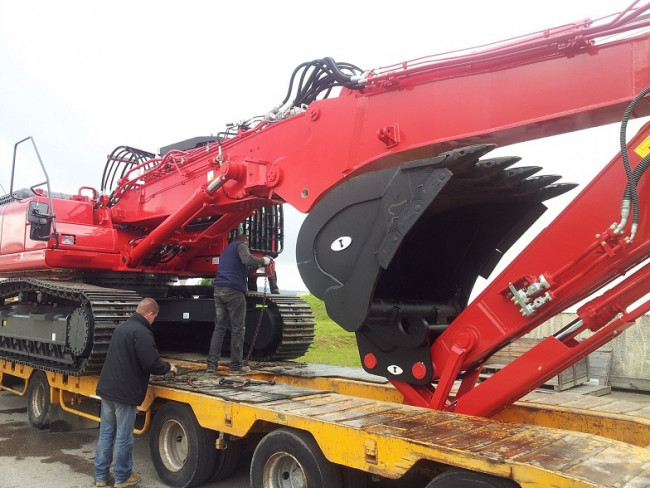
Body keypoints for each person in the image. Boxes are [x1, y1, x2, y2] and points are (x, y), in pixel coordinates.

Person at [94, 297, 177, 488]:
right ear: (150, 314)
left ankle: (101, 477)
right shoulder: (142, 332)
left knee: (106, 434)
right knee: (124, 436)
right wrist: (168, 367)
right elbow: (151, 363)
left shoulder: (121, 328)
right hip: (124, 393)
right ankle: (122, 477)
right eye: (155, 317)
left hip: (107, 389)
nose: (154, 321)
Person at [207, 233, 271, 374]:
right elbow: (247, 259)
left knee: (219, 328)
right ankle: (236, 366)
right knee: (238, 329)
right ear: (245, 242)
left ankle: (211, 366)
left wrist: (259, 264)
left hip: (219, 290)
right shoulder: (241, 246)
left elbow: (245, 270)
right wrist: (264, 260)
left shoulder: (226, 251)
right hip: (234, 291)